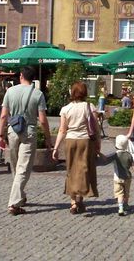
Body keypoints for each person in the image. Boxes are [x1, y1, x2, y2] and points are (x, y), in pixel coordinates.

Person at [0, 66, 52, 216]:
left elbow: (3, 116)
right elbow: (42, 120)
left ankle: (19, 196)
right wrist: (48, 138)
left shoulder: (10, 91)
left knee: (16, 166)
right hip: (29, 131)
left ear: (21, 76)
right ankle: (14, 203)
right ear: (33, 78)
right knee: (23, 168)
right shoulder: (38, 94)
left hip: (13, 131)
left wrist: (0, 135)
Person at [52, 81, 100, 214]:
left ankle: (73, 202)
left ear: (72, 93)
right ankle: (80, 199)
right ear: (84, 92)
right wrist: (98, 144)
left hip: (70, 141)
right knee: (85, 169)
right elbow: (96, 129)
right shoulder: (90, 107)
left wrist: (55, 148)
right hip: (85, 141)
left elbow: (62, 130)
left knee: (71, 170)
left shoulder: (66, 109)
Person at [110, 134, 134, 216]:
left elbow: (105, 159)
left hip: (117, 178)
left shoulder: (115, 155)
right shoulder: (128, 154)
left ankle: (120, 208)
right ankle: (126, 205)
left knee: (119, 193)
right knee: (126, 193)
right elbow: (132, 164)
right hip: (127, 177)